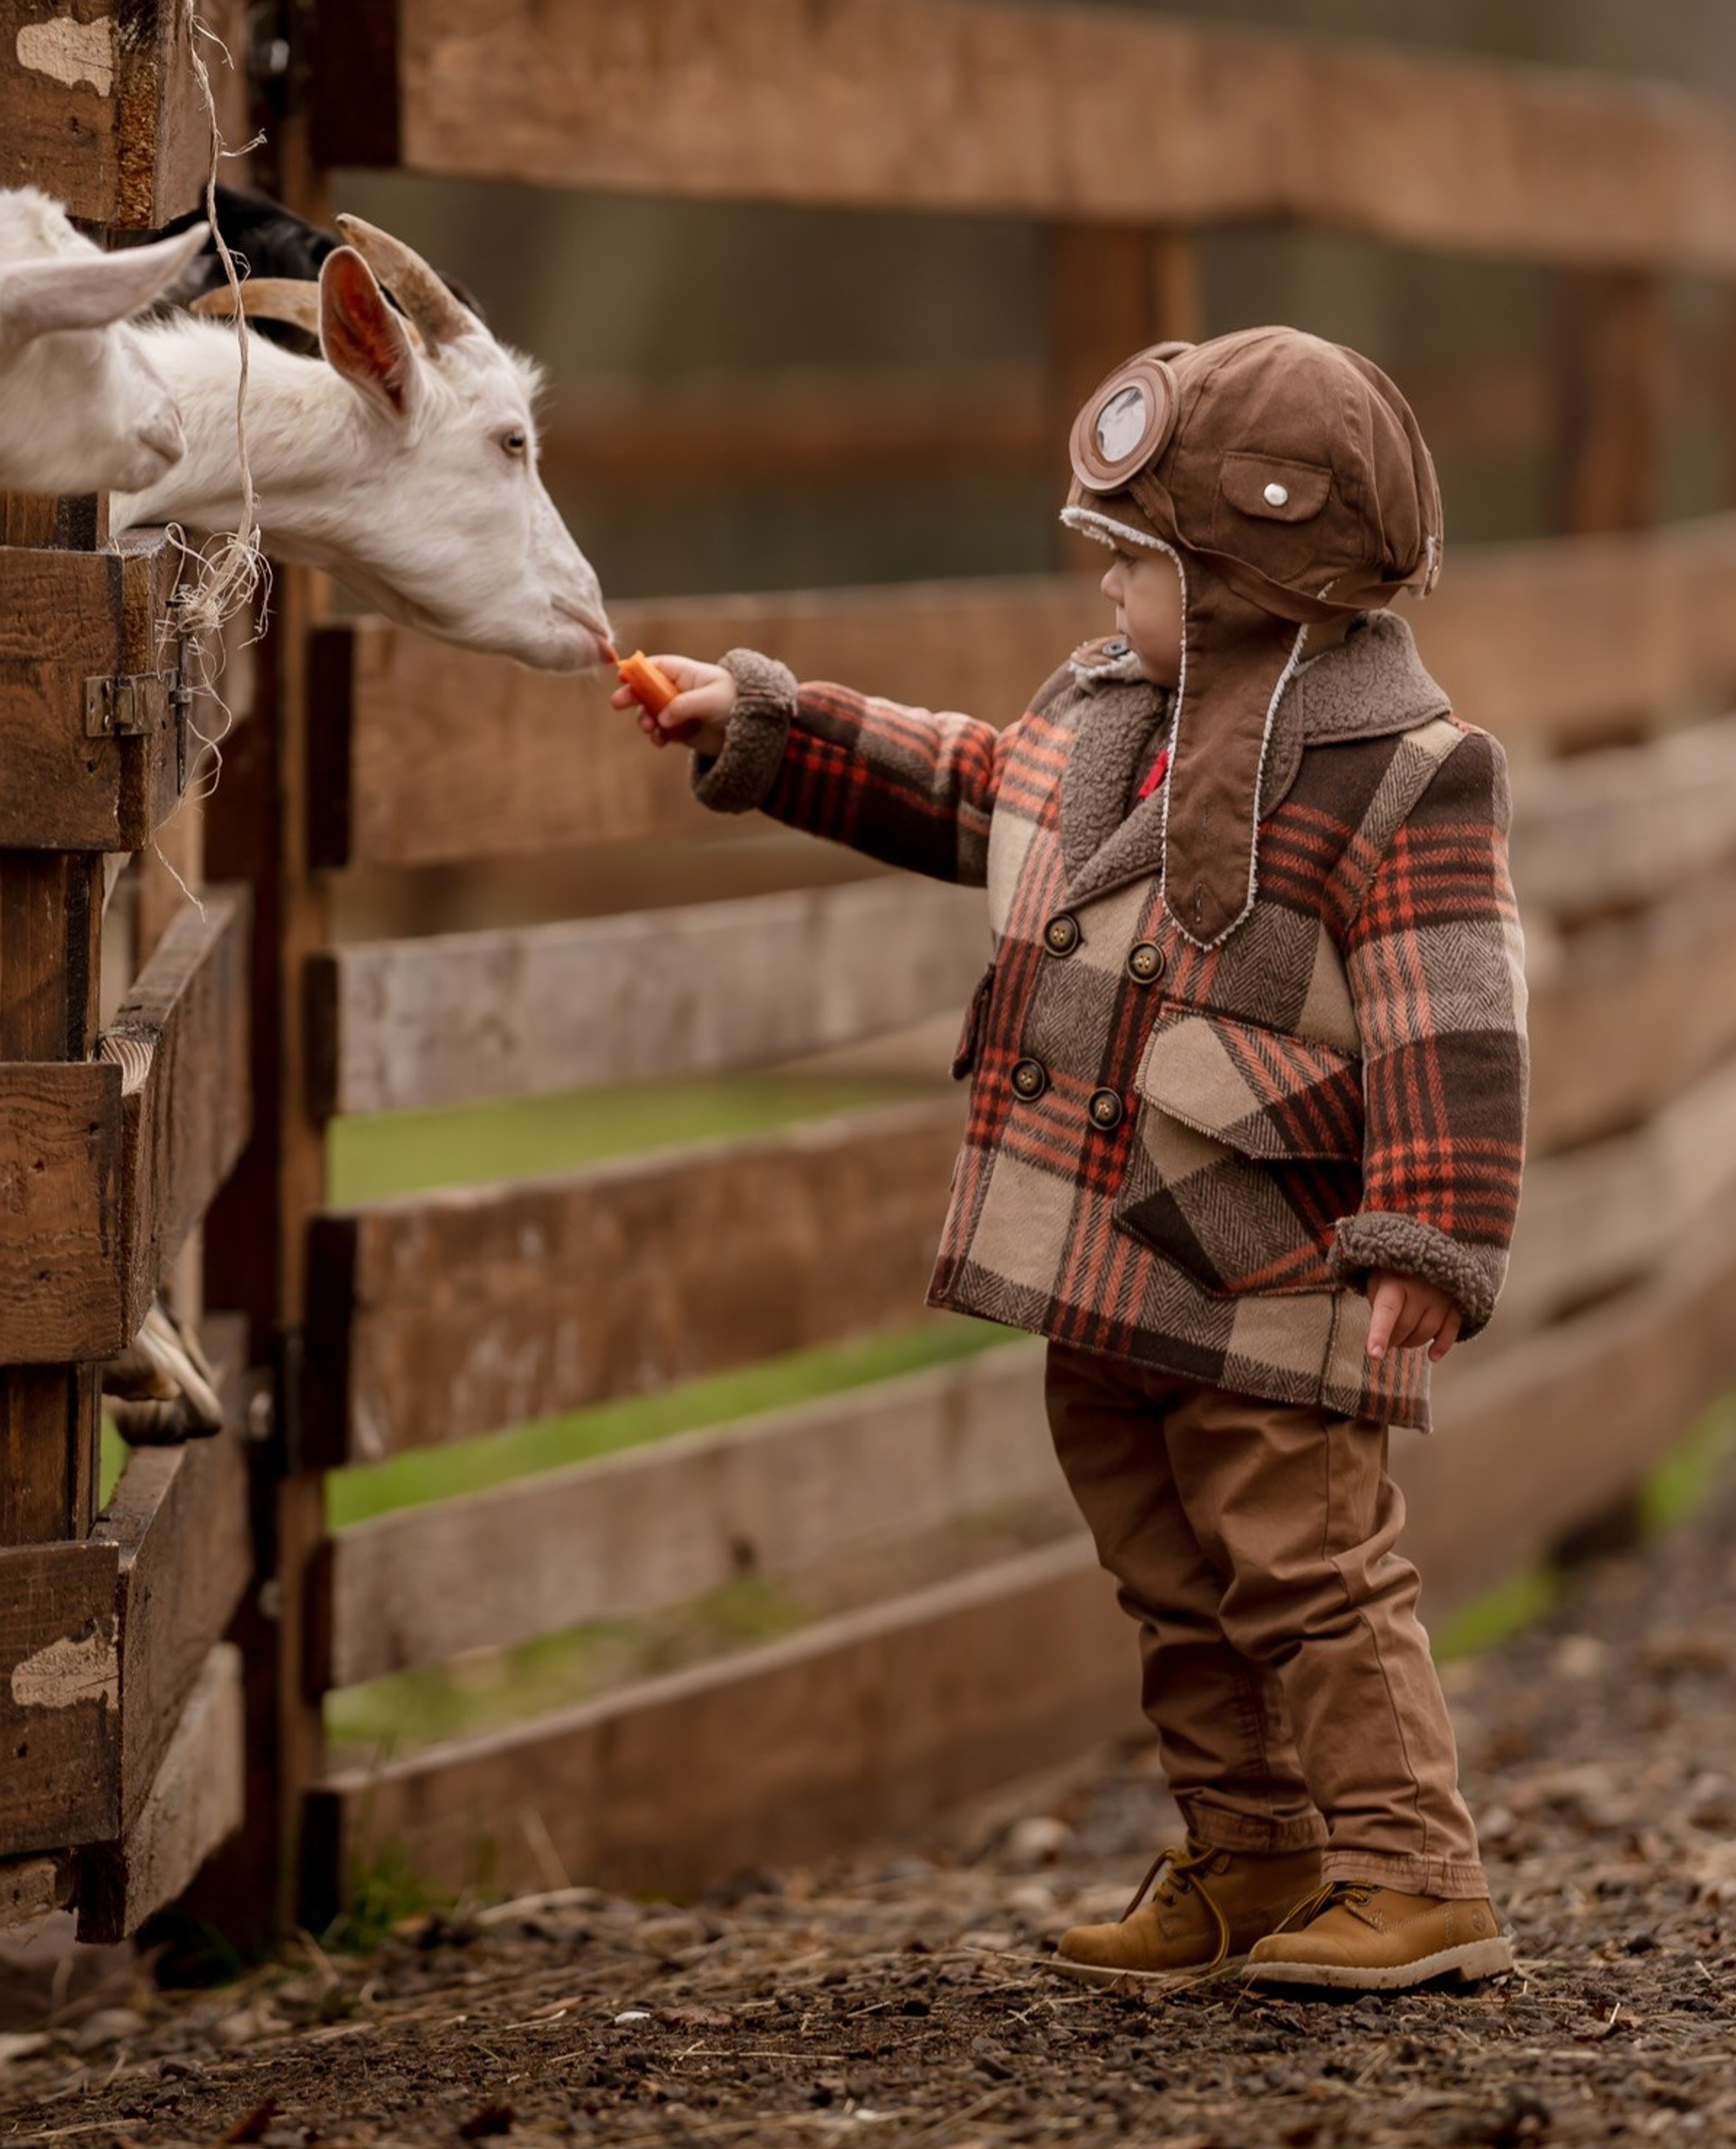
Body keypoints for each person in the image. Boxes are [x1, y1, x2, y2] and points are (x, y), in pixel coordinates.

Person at [611, 327, 1527, 1993]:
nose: (1106, 592)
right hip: (1102, 1263)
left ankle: (1416, 1874)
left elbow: (1453, 1013)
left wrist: (1433, 1238)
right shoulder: (1107, 719)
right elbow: (966, 788)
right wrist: (769, 724)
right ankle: (1255, 1852)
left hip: (1272, 1261)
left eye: (1137, 562)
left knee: (1308, 1572)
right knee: (1174, 1577)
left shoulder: (1404, 773)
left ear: (1253, 576)